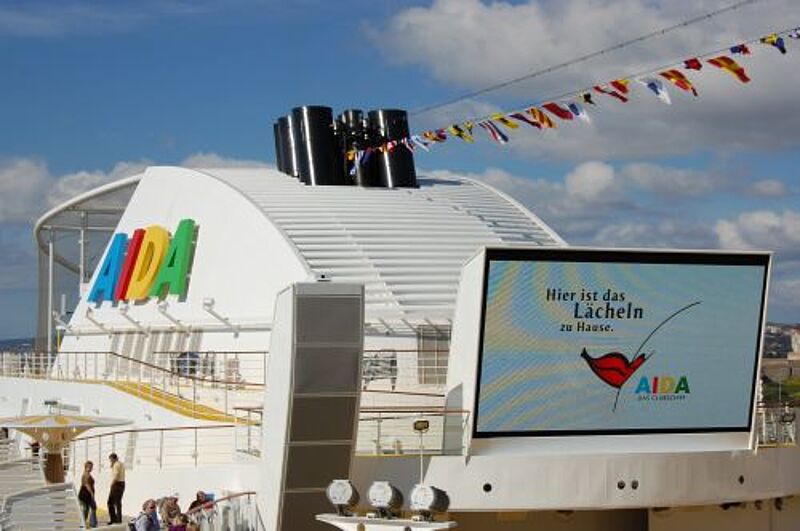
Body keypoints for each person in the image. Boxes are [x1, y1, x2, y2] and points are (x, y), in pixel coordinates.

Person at [107, 453, 125, 524]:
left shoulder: (116, 465)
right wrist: (112, 465)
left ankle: (114, 519)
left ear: (113, 458)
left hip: (117, 484)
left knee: (110, 502)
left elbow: (116, 476)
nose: (110, 461)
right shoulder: (120, 463)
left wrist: (112, 484)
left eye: (111, 459)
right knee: (117, 502)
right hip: (122, 484)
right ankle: (118, 519)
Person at [78, 461, 97, 527]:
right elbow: (87, 485)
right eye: (90, 467)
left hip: (87, 495)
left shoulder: (88, 474)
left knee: (89, 508)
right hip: (84, 495)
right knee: (87, 509)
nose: (91, 468)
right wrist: (92, 494)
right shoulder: (85, 474)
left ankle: (89, 523)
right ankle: (87, 523)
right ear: (86, 467)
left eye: (92, 467)